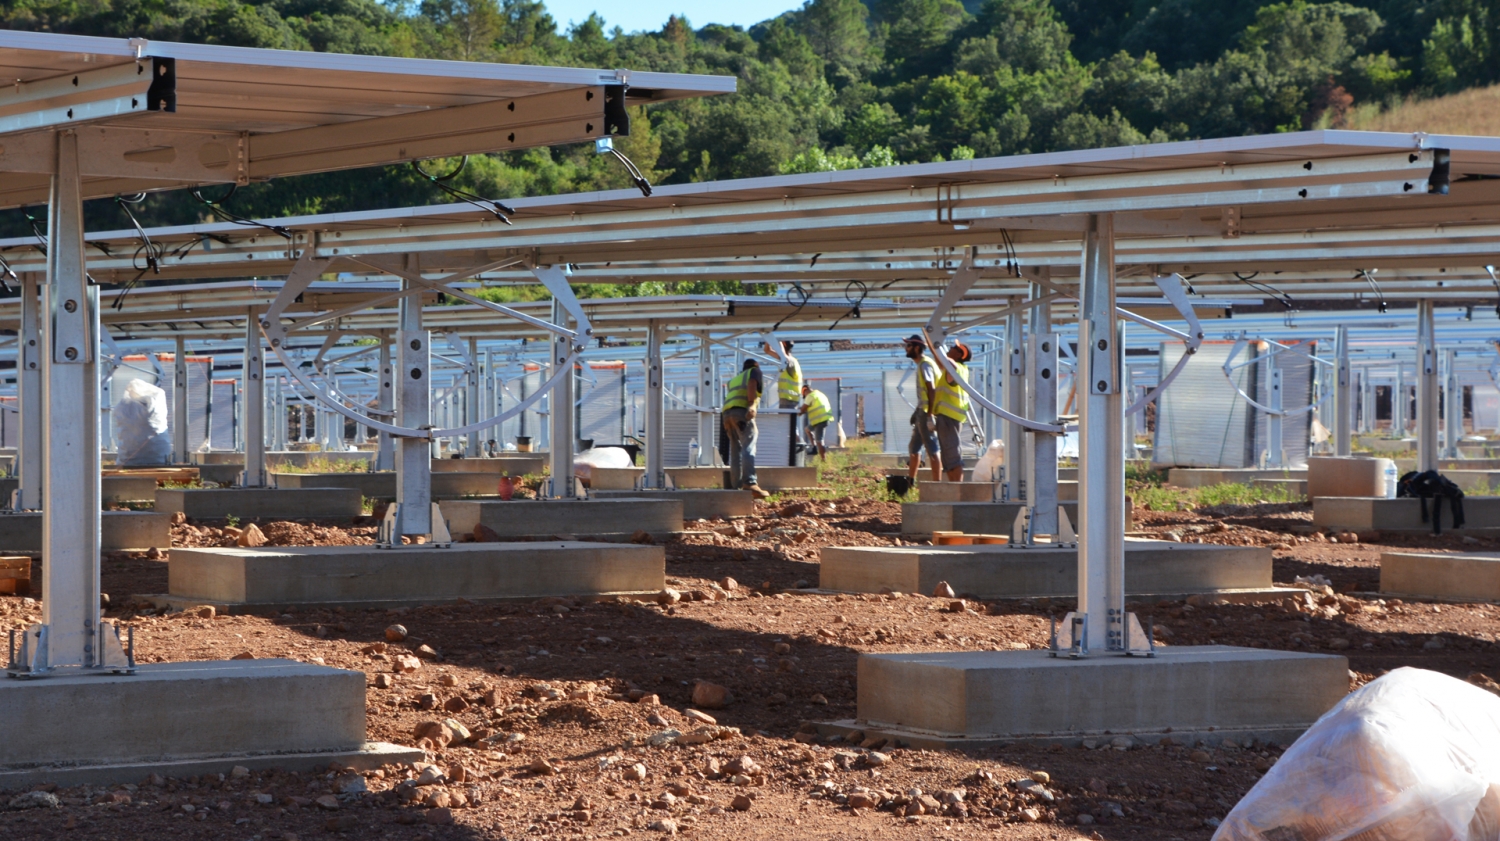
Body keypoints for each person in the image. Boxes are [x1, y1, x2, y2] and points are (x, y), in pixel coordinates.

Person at [722, 358, 770, 499]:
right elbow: (752, 383)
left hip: (727, 415)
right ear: (756, 366)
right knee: (748, 446)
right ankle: (749, 482)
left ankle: (735, 485)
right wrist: (751, 404)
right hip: (742, 413)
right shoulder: (754, 371)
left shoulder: (735, 379)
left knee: (735, 449)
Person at [904, 335, 940, 482]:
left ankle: (937, 485)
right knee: (914, 447)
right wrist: (917, 411)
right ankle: (911, 481)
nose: (906, 349)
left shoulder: (925, 365)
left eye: (908, 346)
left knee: (932, 448)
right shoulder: (923, 364)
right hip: (922, 411)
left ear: (917, 348)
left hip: (926, 413)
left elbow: (932, 389)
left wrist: (930, 414)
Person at [935, 342, 973, 482]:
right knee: (948, 458)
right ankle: (953, 487)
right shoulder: (961, 369)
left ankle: (958, 489)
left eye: (953, 347)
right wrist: (934, 347)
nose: (949, 348)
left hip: (949, 417)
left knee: (952, 457)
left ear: (958, 354)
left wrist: (936, 348)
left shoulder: (956, 368)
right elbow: (942, 362)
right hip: (949, 416)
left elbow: (947, 363)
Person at [798, 382, 833, 461]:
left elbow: (803, 409)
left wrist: (797, 412)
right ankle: (814, 448)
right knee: (807, 429)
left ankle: (823, 460)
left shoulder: (810, 396)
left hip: (820, 420)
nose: (805, 397)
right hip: (824, 419)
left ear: (805, 392)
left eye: (804, 396)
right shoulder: (819, 394)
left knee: (819, 441)